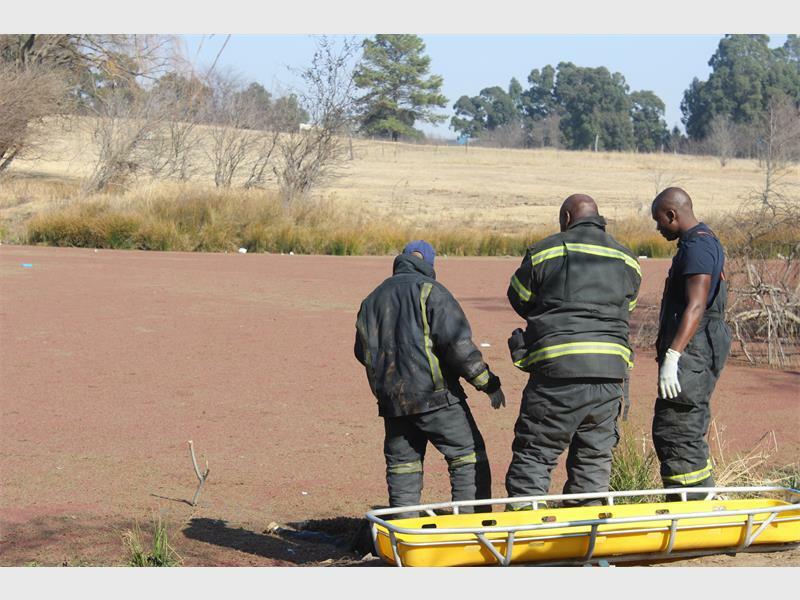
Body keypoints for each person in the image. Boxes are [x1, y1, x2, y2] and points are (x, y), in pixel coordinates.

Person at [504, 194, 641, 508]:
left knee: (536, 454)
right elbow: (627, 308)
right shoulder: (628, 259)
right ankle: (586, 540)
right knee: (594, 459)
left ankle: (525, 536)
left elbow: (519, 297)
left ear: (567, 218)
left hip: (558, 375)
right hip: (609, 376)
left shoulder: (545, 251)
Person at [354, 240, 505, 517]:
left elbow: (361, 352)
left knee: (403, 467)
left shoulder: (371, 300)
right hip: (436, 398)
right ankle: (471, 530)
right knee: (468, 457)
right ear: (429, 263)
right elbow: (457, 346)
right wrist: (487, 383)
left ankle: (405, 536)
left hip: (394, 404)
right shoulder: (431, 292)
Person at [651, 187, 731, 500]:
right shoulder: (699, 243)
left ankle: (691, 510)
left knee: (678, 429)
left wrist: (673, 356)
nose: (658, 228)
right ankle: (692, 503)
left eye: (660, 221)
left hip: (692, 353)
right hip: (695, 349)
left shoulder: (698, 247)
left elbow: (696, 306)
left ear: (673, 214)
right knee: (678, 428)